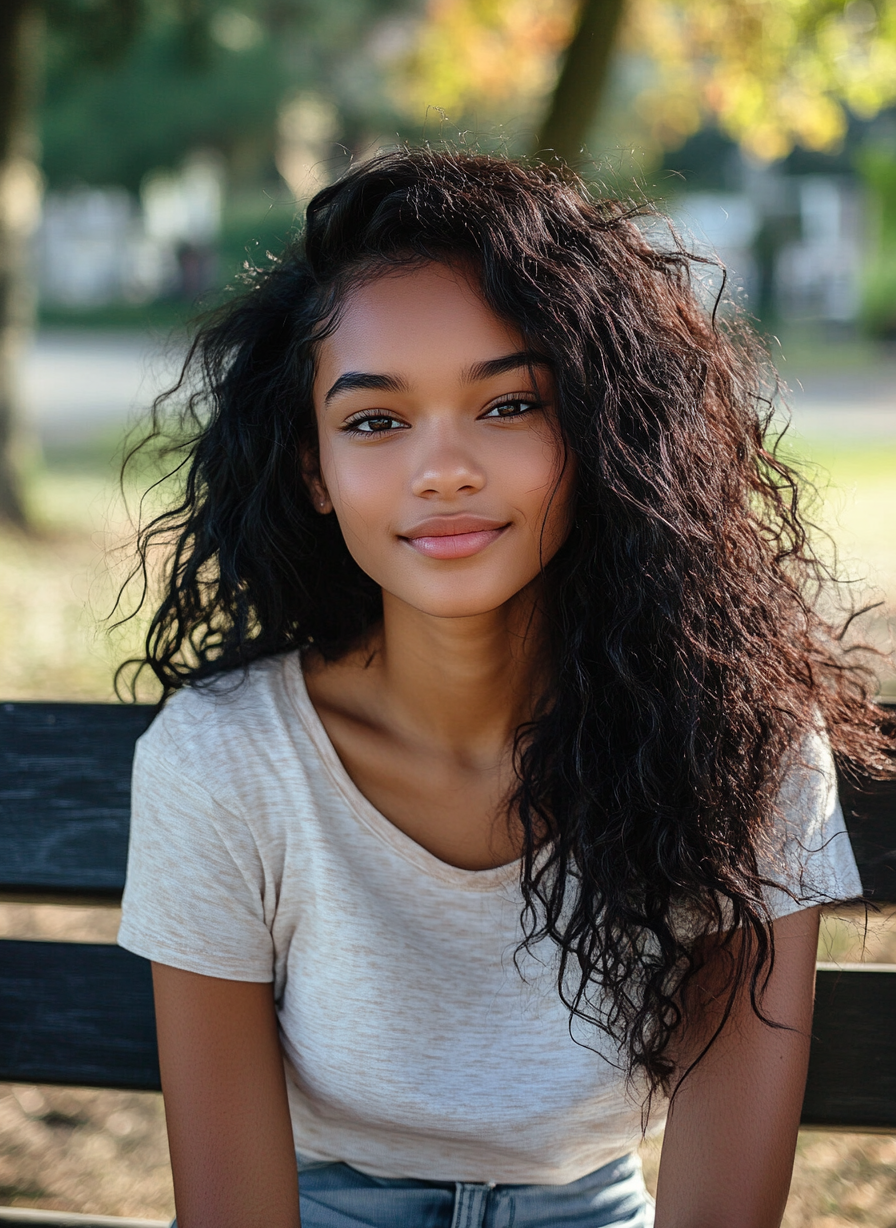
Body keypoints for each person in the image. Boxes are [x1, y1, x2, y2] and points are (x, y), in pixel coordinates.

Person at [117, 150, 887, 1228]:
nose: (442, 470)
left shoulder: (739, 744)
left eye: (509, 405)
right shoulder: (223, 762)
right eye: (375, 421)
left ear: (599, 428)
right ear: (313, 469)